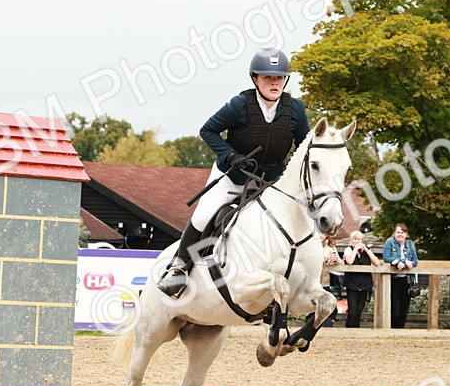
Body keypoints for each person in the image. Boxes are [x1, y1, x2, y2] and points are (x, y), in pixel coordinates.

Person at [156, 48, 311, 296]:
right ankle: (179, 268)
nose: (274, 83)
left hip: (271, 182)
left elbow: (304, 147)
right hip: (233, 177)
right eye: (267, 78)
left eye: (279, 78)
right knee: (204, 214)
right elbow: (207, 130)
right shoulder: (239, 105)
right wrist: (230, 156)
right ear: (255, 79)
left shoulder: (296, 110)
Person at [342, 230, 382, 328]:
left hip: (364, 284)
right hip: (352, 283)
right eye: (355, 239)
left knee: (359, 311)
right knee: (352, 311)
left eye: (359, 239)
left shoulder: (367, 249)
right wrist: (355, 249)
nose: (357, 241)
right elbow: (350, 261)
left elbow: (376, 263)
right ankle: (349, 330)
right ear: (351, 240)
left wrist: (367, 250)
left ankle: (357, 330)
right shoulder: (348, 249)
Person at [382, 224, 419, 329]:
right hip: (393, 279)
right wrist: (401, 261)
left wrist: (410, 263)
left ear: (406, 234)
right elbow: (386, 258)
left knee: (404, 308)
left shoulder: (410, 244)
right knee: (395, 309)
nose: (400, 234)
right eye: (398, 232)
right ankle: (392, 329)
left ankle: (400, 330)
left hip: (407, 280)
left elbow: (415, 261)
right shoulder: (389, 242)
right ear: (394, 234)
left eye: (402, 232)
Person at [319, 235, 341, 328]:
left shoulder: (331, 247)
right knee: (313, 307)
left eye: (323, 233)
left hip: (325, 281)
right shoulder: (311, 244)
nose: (321, 236)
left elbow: (339, 261)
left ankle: (327, 327)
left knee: (332, 307)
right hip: (312, 281)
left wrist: (334, 259)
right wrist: (324, 260)